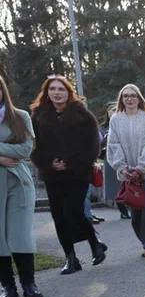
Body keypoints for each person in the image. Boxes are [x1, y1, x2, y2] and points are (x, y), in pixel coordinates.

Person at [30, 76, 106, 274]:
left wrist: (71, 163)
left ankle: (94, 242)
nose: (56, 93)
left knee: (73, 210)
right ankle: (71, 258)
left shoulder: (83, 115)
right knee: (59, 216)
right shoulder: (38, 116)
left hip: (77, 173)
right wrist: (49, 162)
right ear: (47, 93)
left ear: (68, 92)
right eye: (52, 89)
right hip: (52, 174)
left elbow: (93, 146)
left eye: (61, 89)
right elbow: (33, 146)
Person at [108, 83, 145, 258]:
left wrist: (141, 168)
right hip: (127, 175)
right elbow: (113, 145)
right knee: (136, 214)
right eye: (126, 96)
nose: (129, 99)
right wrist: (122, 167)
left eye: (133, 95)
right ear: (121, 100)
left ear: (139, 98)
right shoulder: (116, 119)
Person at [0, 75, 40, 297]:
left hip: (19, 184)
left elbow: (25, 149)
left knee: (20, 234)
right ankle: (7, 286)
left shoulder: (21, 116)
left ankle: (29, 284)